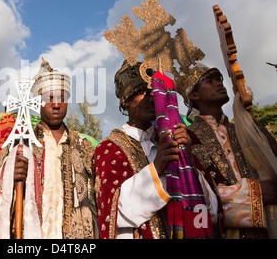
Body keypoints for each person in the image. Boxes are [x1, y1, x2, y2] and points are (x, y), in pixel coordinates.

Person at [94, 60, 220, 239]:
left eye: (154, 91)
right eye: (142, 92)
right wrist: (159, 165)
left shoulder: (176, 138)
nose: (152, 97)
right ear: (126, 101)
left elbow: (211, 211)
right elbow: (115, 214)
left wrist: (187, 161)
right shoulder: (109, 148)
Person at [0, 59, 98, 239]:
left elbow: (97, 196)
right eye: (49, 99)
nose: (56, 104)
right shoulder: (22, 142)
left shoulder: (84, 146)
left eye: (62, 98)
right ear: (37, 103)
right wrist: (9, 175)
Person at [177, 63, 277, 239]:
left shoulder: (243, 131)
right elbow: (191, 195)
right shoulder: (188, 138)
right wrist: (255, 193)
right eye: (210, 80)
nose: (219, 83)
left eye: (220, 79)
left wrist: (258, 130)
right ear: (194, 94)